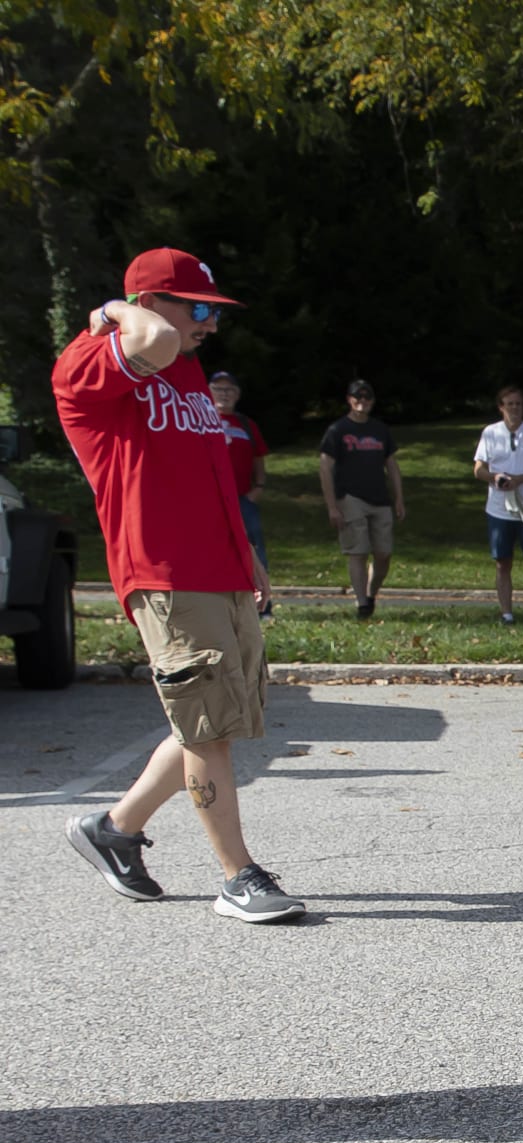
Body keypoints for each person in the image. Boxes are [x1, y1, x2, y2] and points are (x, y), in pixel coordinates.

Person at [52, 247, 304, 923]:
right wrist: (112, 310)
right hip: (161, 570)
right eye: (198, 309)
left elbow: (209, 469)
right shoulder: (88, 361)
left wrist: (245, 552)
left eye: (213, 311)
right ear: (147, 305)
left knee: (215, 720)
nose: (207, 326)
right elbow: (154, 338)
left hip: (216, 566)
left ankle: (114, 830)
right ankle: (237, 877)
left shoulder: (186, 370)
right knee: (207, 728)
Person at [317, 378, 404, 618]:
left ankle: (371, 593)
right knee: (358, 551)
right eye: (358, 397)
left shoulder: (379, 429)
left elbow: (392, 465)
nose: (362, 402)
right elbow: (325, 467)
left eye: (367, 398)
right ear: (349, 400)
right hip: (350, 498)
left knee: (384, 553)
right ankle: (361, 604)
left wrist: (399, 499)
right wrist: (332, 506)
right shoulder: (338, 430)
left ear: (372, 401)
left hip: (380, 499)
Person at [471, 385, 523, 624]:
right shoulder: (490, 433)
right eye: (510, 404)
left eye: (518, 404)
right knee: (502, 563)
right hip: (500, 510)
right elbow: (478, 469)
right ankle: (506, 613)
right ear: (501, 407)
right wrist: (495, 478)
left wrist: (521, 480)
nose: (515, 408)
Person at [209, 370, 273, 619]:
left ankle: (261, 606)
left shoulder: (246, 425)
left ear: (237, 395)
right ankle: (218, 604)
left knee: (254, 550)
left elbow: (259, 458)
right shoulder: (200, 420)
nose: (224, 394)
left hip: (242, 499)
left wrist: (258, 488)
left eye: (229, 390)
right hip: (210, 501)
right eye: (218, 389)